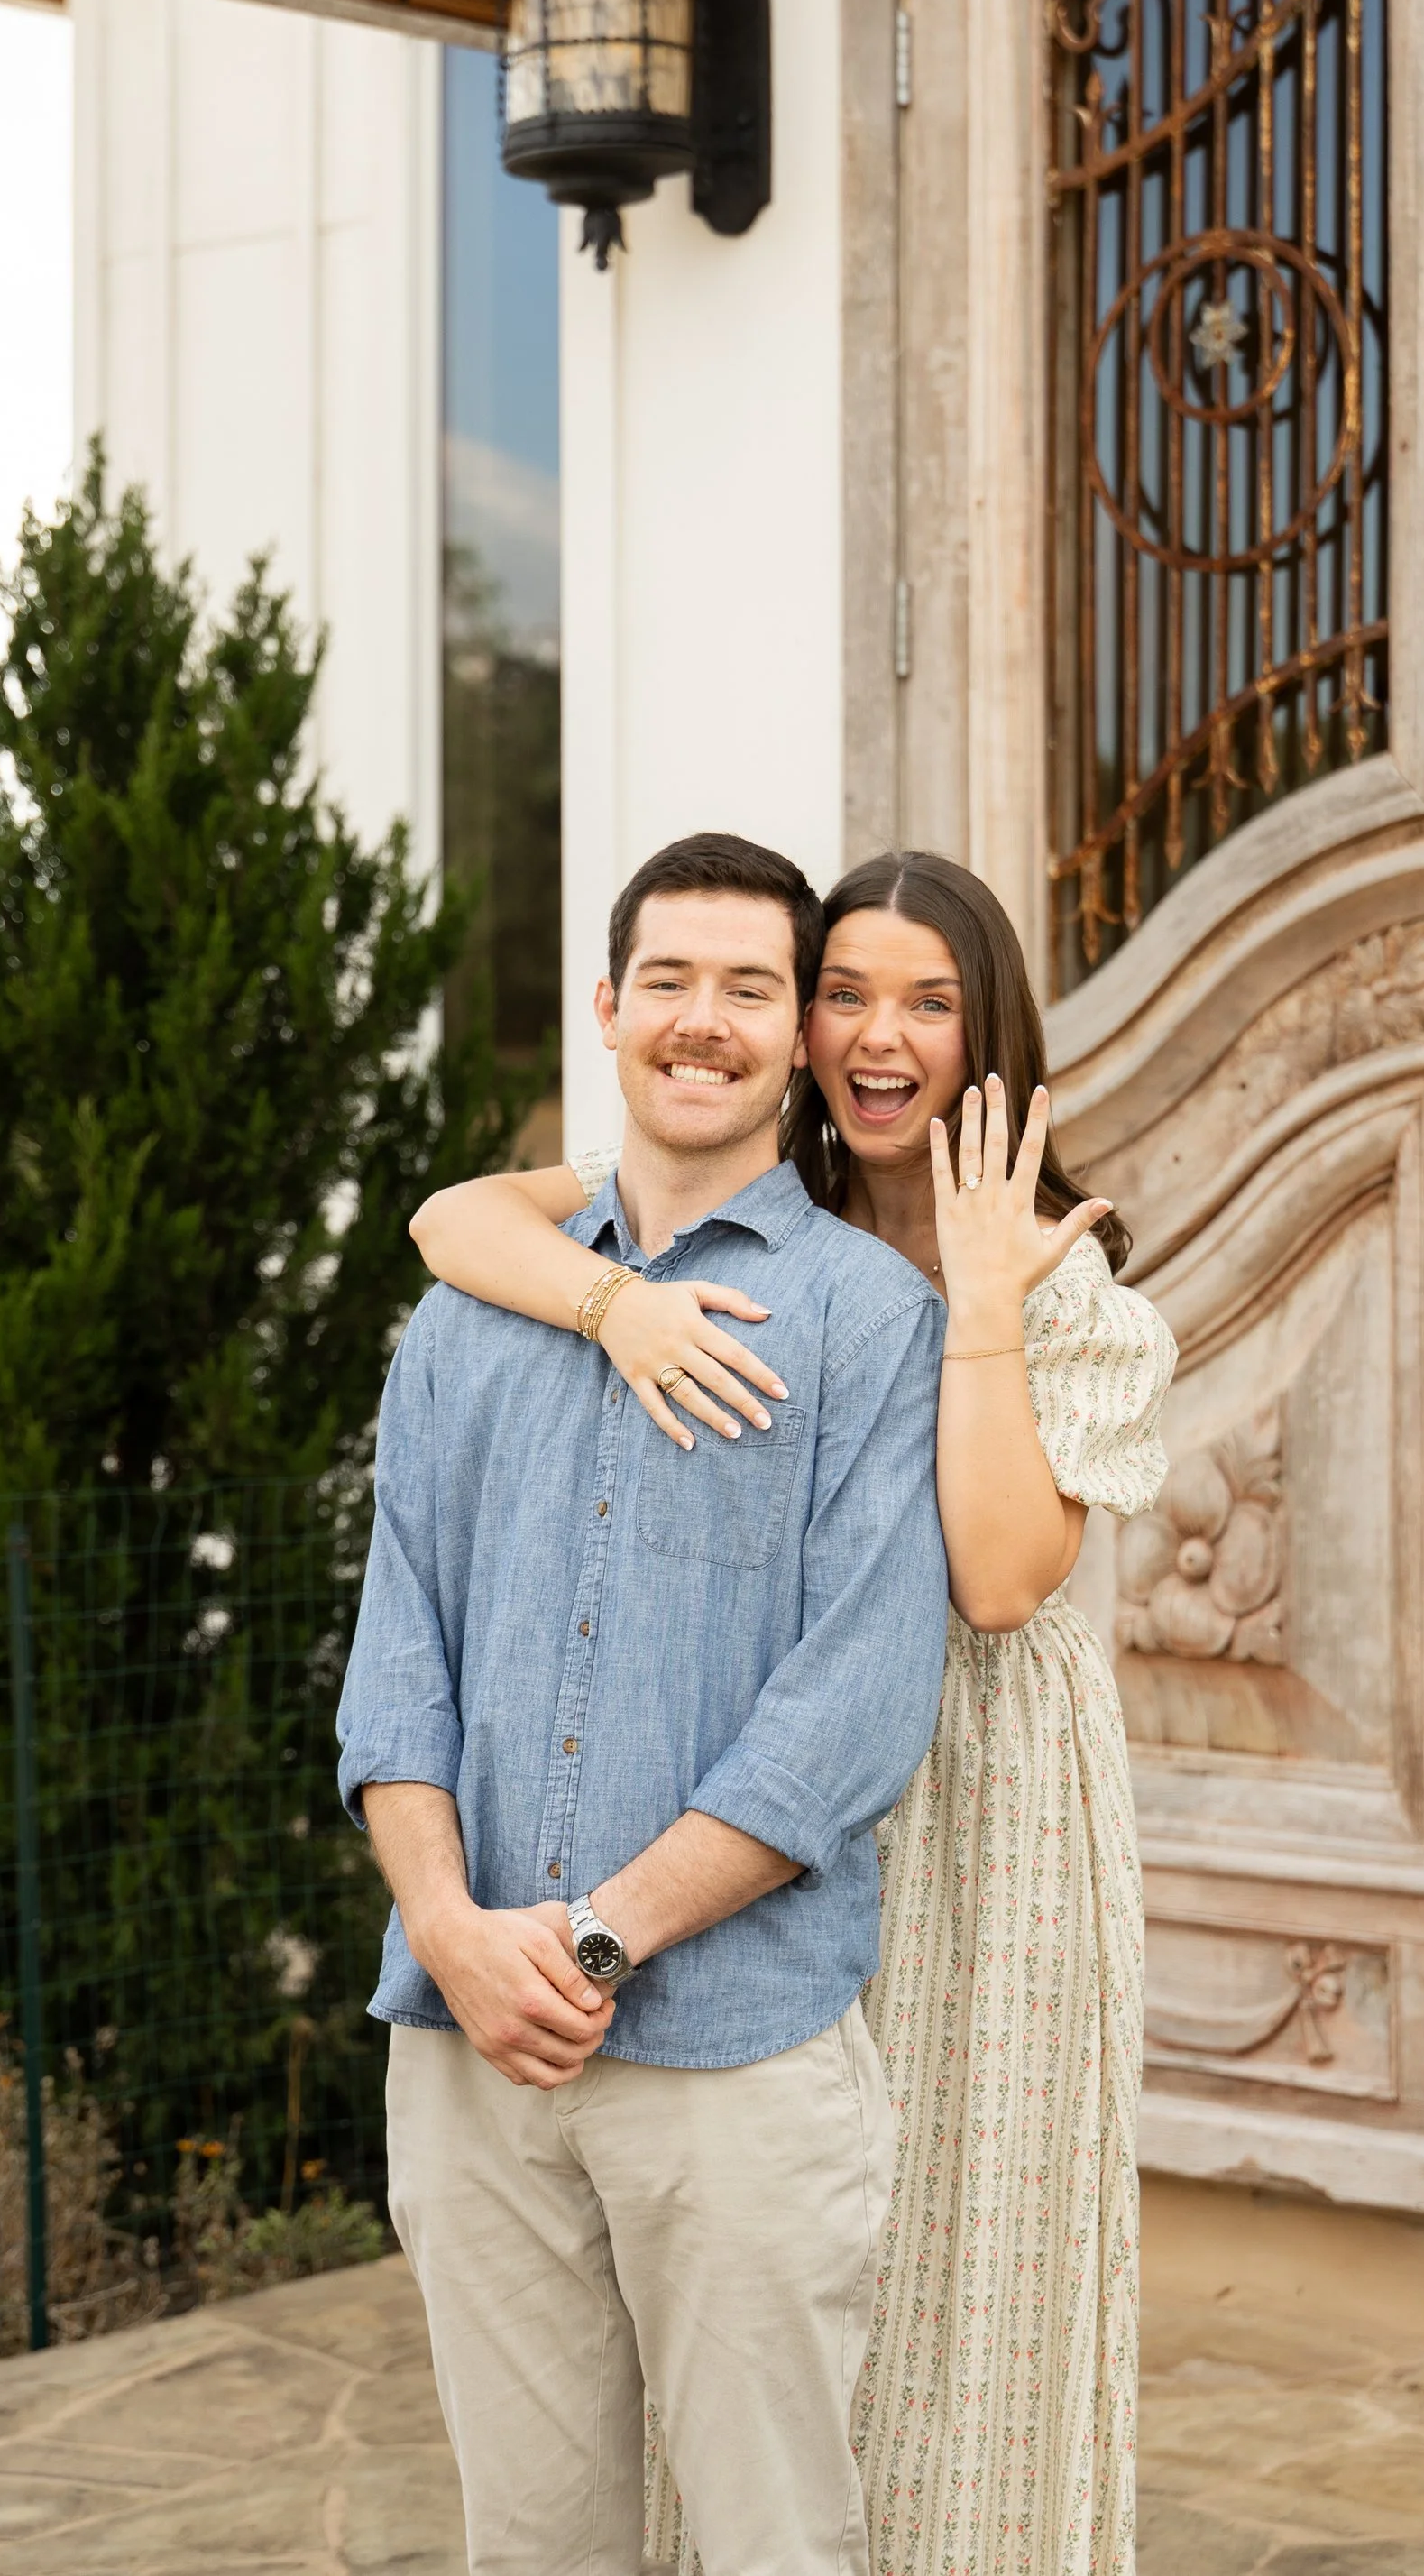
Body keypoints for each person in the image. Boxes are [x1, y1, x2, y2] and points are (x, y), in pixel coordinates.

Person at [412, 848, 1176, 2576]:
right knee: (764, 2281)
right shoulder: (743, 1231)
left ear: (989, 1032)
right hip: (754, 1814)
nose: (879, 1036)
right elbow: (454, 1223)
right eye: (846, 993)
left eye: (929, 1001)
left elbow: (994, 1577)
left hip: (983, 1816)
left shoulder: (1068, 1286)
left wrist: (982, 1303)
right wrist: (617, 1305)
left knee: (961, 2277)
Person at [337, 830, 952, 2576]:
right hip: (465, 2040)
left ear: (795, 1040)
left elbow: (851, 1702)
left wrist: (590, 1942)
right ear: (606, 1007)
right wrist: (451, 1926)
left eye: (749, 987)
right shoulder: (465, 1317)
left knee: (774, 2541)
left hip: (735, 2045)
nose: (705, 1020)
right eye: (668, 980)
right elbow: (398, 1656)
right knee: (530, 2542)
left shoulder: (864, 1318)